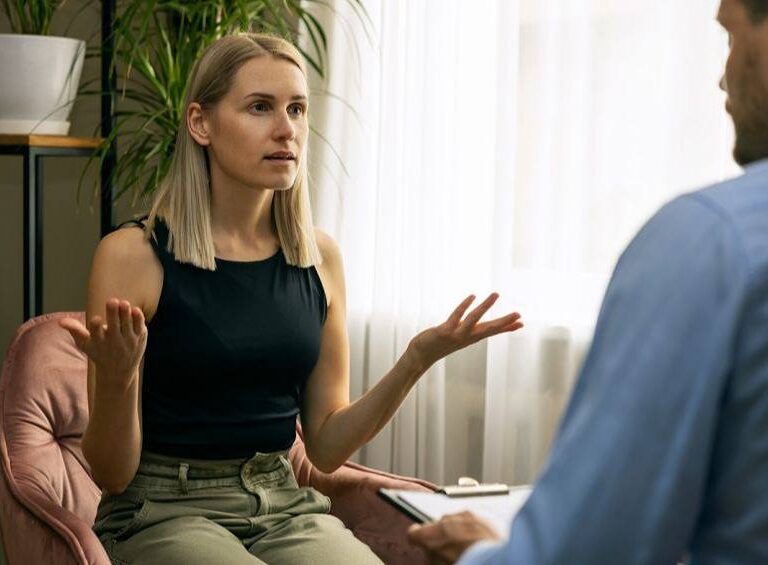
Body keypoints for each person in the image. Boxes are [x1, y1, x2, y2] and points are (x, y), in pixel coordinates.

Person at [58, 33, 524, 565]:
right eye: (260, 107)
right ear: (200, 123)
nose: (287, 129)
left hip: (283, 503)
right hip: (162, 510)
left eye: (297, 109)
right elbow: (112, 474)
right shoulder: (133, 255)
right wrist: (117, 378)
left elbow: (325, 446)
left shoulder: (319, 259)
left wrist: (416, 359)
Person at [408, 0, 768, 563]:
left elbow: (584, 552)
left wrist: (477, 555)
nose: (723, 79)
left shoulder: (710, 241)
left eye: (730, 37)